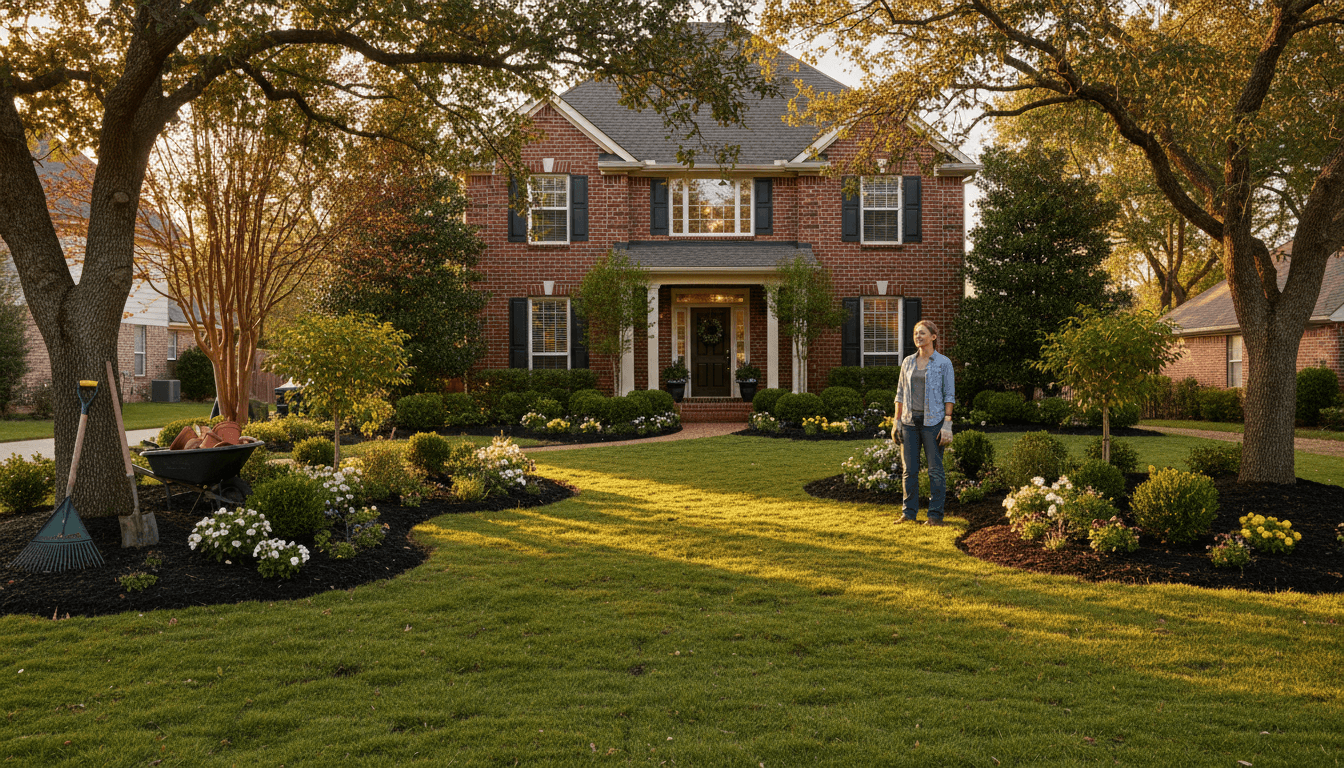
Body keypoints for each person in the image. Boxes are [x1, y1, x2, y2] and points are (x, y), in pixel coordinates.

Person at [891, 320, 955, 525]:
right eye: (916, 333)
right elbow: (900, 394)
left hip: (933, 423)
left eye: (923, 333)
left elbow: (949, 395)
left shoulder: (944, 363)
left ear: (933, 337)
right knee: (909, 470)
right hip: (909, 422)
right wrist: (896, 421)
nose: (918, 336)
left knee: (935, 470)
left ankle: (935, 516)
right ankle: (908, 513)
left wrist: (947, 424)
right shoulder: (908, 362)